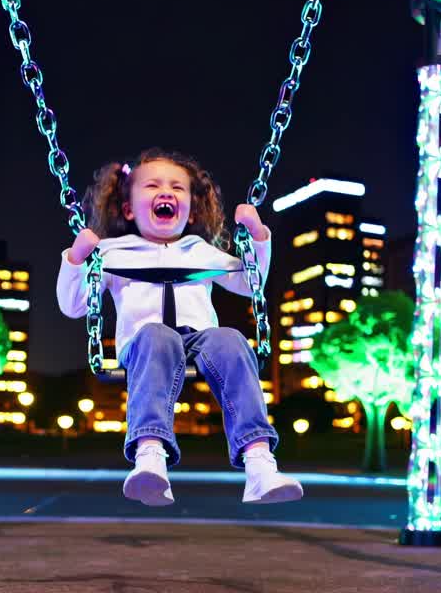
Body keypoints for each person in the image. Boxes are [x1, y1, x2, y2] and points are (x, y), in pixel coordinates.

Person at [57, 148, 303, 506]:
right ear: (128, 208)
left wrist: (258, 235)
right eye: (152, 185)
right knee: (159, 336)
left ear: (189, 210)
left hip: (200, 339)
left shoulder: (199, 250)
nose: (166, 192)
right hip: (145, 342)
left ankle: (259, 463)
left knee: (232, 339)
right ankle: (150, 456)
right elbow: (73, 305)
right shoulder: (111, 252)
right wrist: (76, 259)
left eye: (178, 187)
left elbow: (250, 283)